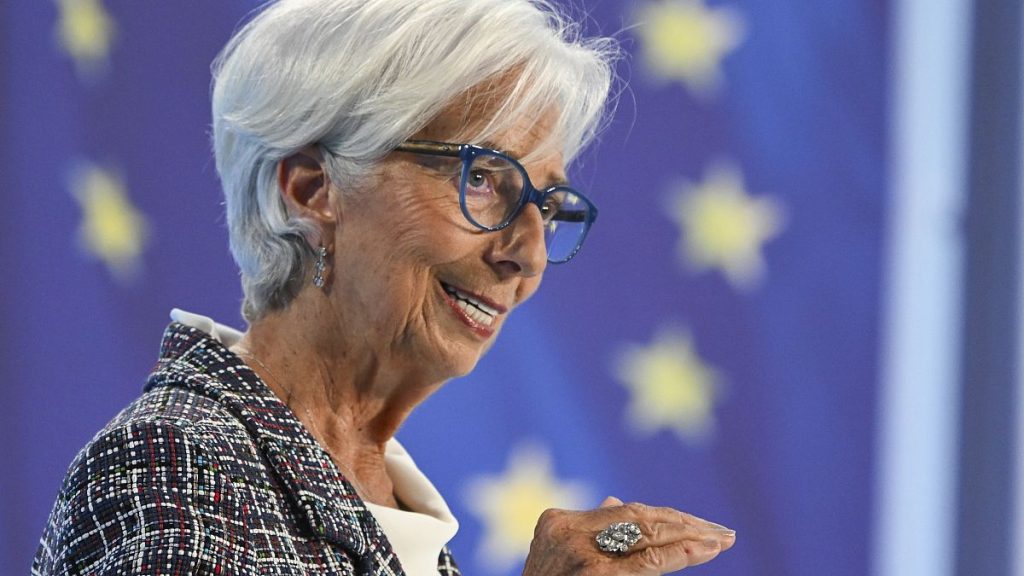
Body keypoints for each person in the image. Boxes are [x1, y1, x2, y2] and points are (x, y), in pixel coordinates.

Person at [32, 0, 736, 574]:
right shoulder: (175, 468)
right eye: (484, 179)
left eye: (548, 208)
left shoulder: (390, 513)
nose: (529, 254)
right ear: (313, 191)